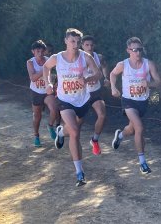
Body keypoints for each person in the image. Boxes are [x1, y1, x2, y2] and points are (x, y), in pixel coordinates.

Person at [43, 28, 101, 187]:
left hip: (82, 100)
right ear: (66, 41)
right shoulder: (57, 58)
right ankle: (79, 173)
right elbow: (46, 68)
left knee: (74, 129)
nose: (75, 45)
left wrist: (88, 78)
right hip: (64, 99)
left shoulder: (86, 57)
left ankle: (61, 132)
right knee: (75, 131)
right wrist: (48, 83)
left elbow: (98, 74)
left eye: (77, 42)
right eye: (72, 41)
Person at [110, 37, 161, 174]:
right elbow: (113, 74)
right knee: (139, 127)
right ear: (128, 50)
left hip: (143, 101)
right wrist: (113, 88)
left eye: (140, 49)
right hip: (128, 101)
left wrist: (149, 84)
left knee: (132, 129)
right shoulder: (123, 64)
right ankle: (143, 162)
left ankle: (120, 135)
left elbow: (158, 82)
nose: (138, 52)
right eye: (134, 50)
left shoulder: (149, 64)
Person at [81, 35, 110, 155]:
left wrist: (106, 78)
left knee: (102, 115)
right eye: (87, 45)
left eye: (91, 45)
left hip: (95, 91)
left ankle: (95, 140)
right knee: (77, 122)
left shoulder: (99, 57)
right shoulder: (77, 58)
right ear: (82, 46)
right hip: (81, 93)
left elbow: (104, 66)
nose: (89, 47)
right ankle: (61, 132)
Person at [27, 40, 58, 147]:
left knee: (54, 109)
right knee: (37, 116)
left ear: (44, 51)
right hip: (36, 92)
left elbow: (56, 73)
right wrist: (45, 70)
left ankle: (50, 126)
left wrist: (55, 83)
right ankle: (36, 135)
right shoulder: (30, 62)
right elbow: (33, 78)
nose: (40, 53)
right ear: (33, 52)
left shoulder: (49, 60)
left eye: (42, 51)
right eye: (37, 51)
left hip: (47, 91)